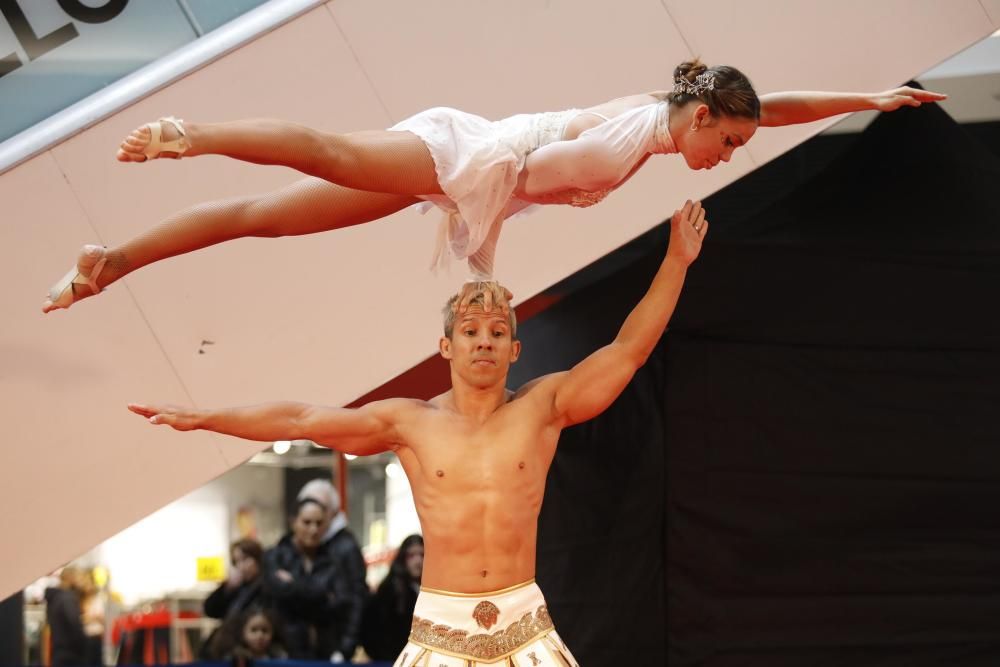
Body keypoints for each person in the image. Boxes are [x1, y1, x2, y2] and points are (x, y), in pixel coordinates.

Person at [127, 198, 708, 665]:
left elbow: (628, 351)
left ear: (515, 348)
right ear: (446, 346)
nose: (484, 340)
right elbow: (302, 419)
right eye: (472, 330)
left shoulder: (544, 407)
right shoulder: (409, 423)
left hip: (525, 621)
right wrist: (206, 418)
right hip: (439, 632)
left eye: (497, 332)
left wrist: (676, 262)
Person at [43, 60, 943, 311]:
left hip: (461, 167)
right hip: (460, 160)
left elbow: (770, 101)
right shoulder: (619, 150)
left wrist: (866, 96)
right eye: (733, 141)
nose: (734, 154)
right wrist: (479, 272)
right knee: (321, 154)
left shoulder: (667, 118)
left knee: (265, 222)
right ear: (703, 118)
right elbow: (504, 179)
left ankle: (111, 259)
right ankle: (185, 134)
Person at [260, 497, 352, 660]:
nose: (313, 529)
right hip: (283, 653)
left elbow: (342, 603)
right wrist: (322, 594)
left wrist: (294, 584)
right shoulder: (275, 556)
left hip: (324, 654)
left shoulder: (333, 562)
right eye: (307, 522)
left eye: (319, 523)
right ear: (293, 522)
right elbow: (279, 592)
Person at [297, 479, 367, 662]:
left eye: (320, 507)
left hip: (333, 647)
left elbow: (357, 597)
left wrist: (345, 648)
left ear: (333, 512)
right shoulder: (304, 547)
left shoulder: (345, 547)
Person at [361, 534, 424, 662]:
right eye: (411, 556)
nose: (418, 561)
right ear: (403, 558)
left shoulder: (430, 588)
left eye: (422, 555)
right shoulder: (390, 589)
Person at [206, 606, 287, 663]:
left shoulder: (280, 658)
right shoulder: (232, 659)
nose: (260, 635)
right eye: (253, 630)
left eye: (265, 630)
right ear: (242, 633)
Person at [44, 567, 87, 667]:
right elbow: (74, 625)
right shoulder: (67, 599)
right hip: (70, 654)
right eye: (79, 577)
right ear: (71, 578)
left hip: (59, 652)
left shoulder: (55, 597)